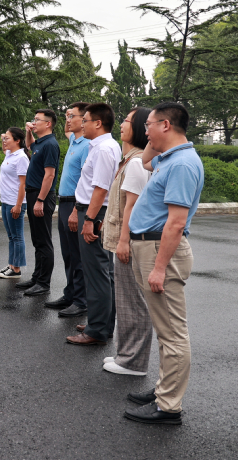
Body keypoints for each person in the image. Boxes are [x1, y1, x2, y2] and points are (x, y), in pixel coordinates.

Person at [122, 102, 203, 425]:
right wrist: (154, 143)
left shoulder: (182, 164)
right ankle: (163, 389)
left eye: (149, 125)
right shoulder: (169, 158)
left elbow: (176, 222)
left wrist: (159, 267)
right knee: (164, 327)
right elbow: (145, 161)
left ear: (166, 125)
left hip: (160, 250)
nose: (145, 131)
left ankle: (169, 406)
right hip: (150, 246)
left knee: (172, 332)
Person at [66, 103, 121, 347]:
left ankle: (97, 329)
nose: (82, 124)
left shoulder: (104, 149)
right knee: (103, 272)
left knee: (97, 272)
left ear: (98, 123)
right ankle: (102, 323)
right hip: (93, 211)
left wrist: (89, 219)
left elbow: (100, 188)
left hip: (94, 213)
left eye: (85, 120)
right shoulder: (100, 146)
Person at [104, 107, 154, 375]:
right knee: (125, 300)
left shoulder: (135, 163)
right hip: (126, 239)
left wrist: (124, 242)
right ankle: (124, 354)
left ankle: (133, 361)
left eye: (127, 120)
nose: (122, 124)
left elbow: (131, 206)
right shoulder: (131, 160)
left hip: (130, 241)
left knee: (132, 301)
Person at [44, 102, 90, 317]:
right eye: (67, 116)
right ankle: (70, 294)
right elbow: (66, 130)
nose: (68, 120)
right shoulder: (74, 140)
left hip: (75, 203)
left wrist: (75, 210)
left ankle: (81, 300)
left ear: (84, 119)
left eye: (72, 116)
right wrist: (68, 117)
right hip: (64, 202)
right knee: (68, 253)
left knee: (78, 254)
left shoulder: (87, 145)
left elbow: (86, 181)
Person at [16, 108, 60, 297]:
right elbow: (29, 145)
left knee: (44, 240)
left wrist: (40, 200)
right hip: (33, 193)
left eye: (37, 120)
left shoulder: (50, 144)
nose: (34, 122)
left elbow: (49, 175)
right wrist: (28, 131)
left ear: (48, 124)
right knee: (37, 239)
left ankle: (43, 283)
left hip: (42, 195)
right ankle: (36, 277)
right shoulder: (41, 142)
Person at [0, 127, 29, 279]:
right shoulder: (10, 154)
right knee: (11, 236)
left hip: (15, 202)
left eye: (8, 138)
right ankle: (11, 264)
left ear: (17, 141)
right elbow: (4, 144)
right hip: (6, 201)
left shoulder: (21, 157)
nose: (5, 141)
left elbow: (23, 184)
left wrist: (18, 205)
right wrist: (5, 136)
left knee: (17, 236)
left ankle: (17, 269)